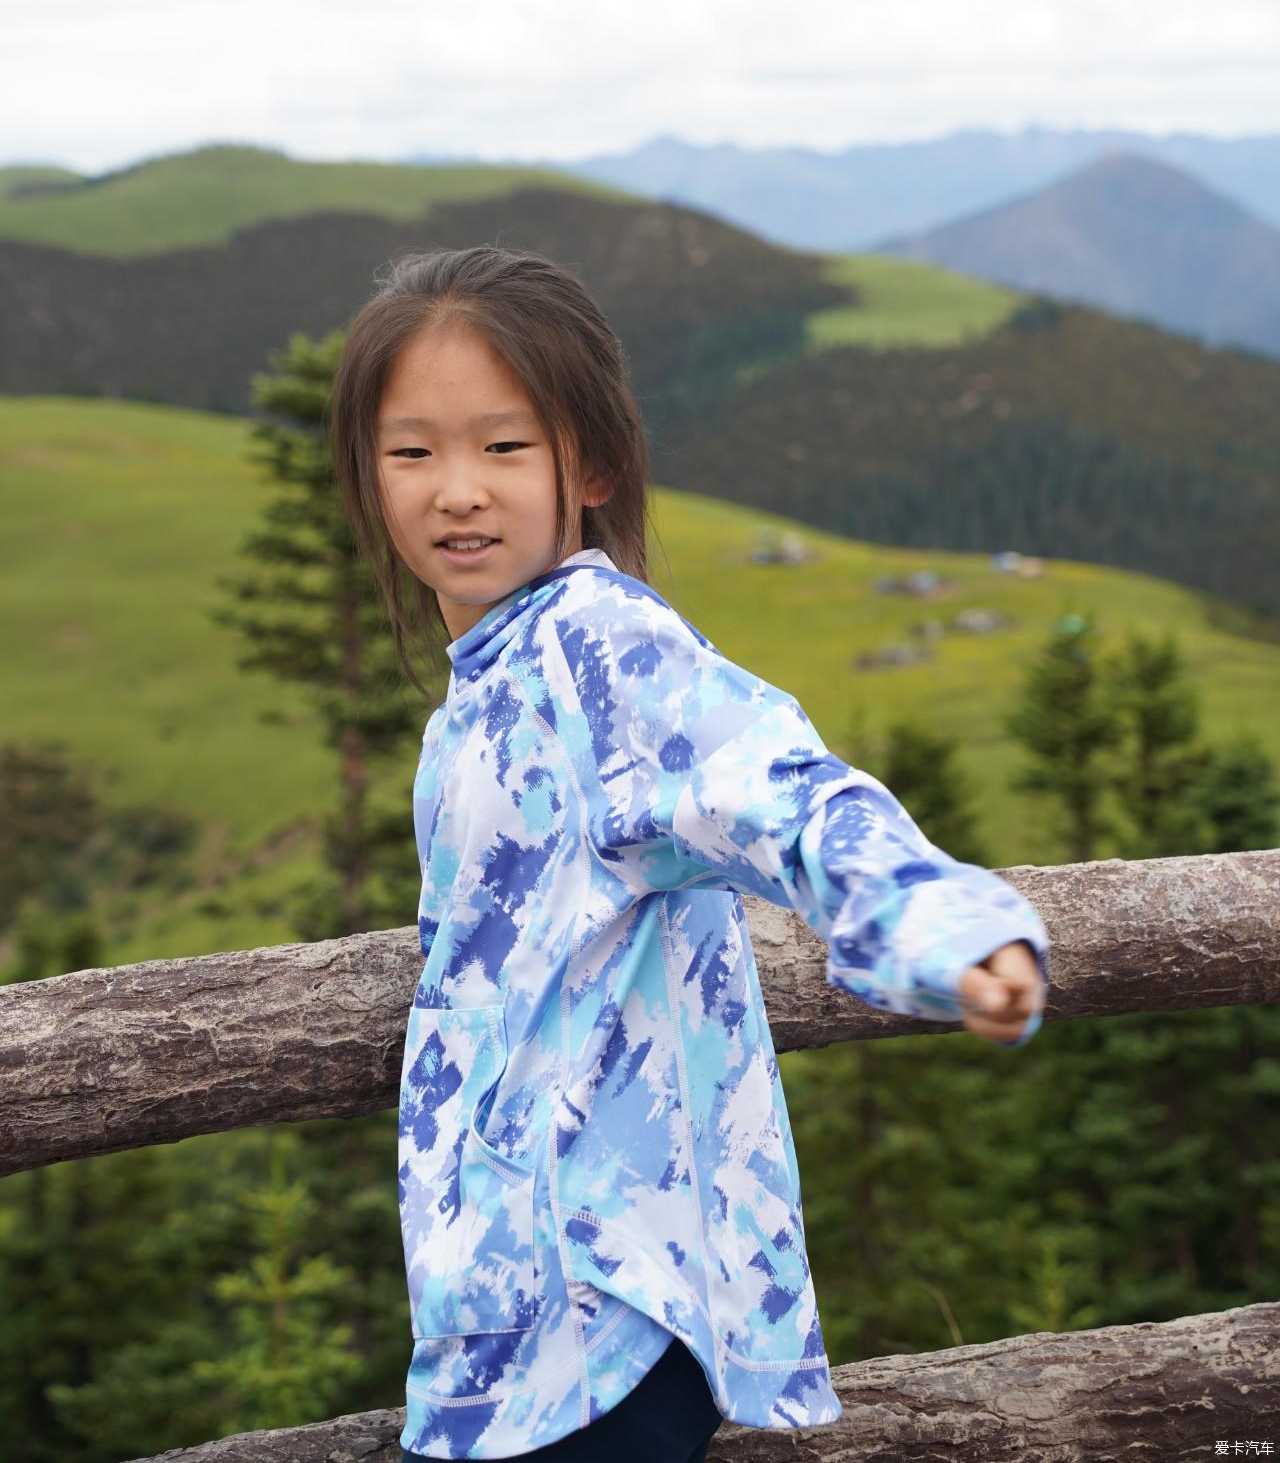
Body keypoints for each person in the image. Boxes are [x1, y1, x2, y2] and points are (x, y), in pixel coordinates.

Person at [327, 244, 1051, 1463]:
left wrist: (947, 930)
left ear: (591, 462)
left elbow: (781, 790)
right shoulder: (490, 681)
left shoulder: (604, 653)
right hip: (504, 1300)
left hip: (598, 1296)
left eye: (503, 448)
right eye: (413, 451)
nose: (456, 489)